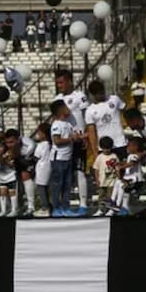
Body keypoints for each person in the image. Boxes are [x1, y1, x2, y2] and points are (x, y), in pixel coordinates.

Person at [54, 70, 91, 216]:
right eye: (57, 83)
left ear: (70, 81)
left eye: (61, 82)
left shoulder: (79, 96)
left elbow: (87, 117)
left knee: (80, 172)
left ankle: (83, 204)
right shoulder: (57, 98)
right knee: (65, 174)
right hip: (65, 141)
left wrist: (87, 136)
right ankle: (64, 205)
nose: (59, 85)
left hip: (79, 140)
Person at [85, 80, 127, 160]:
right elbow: (91, 133)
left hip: (120, 143)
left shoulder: (114, 99)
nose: (102, 95)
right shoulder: (90, 110)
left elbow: (126, 111)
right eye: (99, 94)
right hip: (104, 147)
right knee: (107, 172)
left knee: (122, 169)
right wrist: (95, 152)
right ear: (93, 94)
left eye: (102, 92)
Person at [49, 100, 76, 217]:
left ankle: (66, 207)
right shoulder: (56, 124)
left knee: (67, 184)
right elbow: (57, 141)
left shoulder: (68, 124)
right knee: (57, 184)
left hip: (68, 158)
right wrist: (71, 139)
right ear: (60, 110)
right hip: (58, 159)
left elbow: (73, 137)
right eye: (66, 107)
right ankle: (56, 208)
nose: (68, 108)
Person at [110, 137, 144, 215]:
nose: (127, 148)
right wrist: (118, 164)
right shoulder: (129, 156)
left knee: (122, 185)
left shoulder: (136, 155)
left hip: (136, 179)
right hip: (129, 178)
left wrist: (122, 167)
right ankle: (113, 201)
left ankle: (119, 206)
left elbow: (132, 163)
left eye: (129, 146)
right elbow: (125, 162)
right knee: (118, 182)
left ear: (136, 147)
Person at [92, 137, 119, 216]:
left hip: (111, 181)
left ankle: (110, 210)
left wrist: (117, 176)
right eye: (105, 148)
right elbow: (96, 169)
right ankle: (100, 209)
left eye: (108, 148)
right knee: (101, 196)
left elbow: (117, 167)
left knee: (111, 196)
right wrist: (97, 179)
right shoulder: (99, 157)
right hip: (102, 181)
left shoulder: (114, 156)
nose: (106, 150)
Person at [32, 123, 53, 217]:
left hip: (41, 168)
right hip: (49, 168)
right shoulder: (50, 144)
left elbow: (36, 157)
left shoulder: (41, 145)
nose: (38, 134)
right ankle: (49, 206)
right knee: (47, 189)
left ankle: (45, 208)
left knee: (41, 189)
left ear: (44, 134)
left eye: (39, 132)